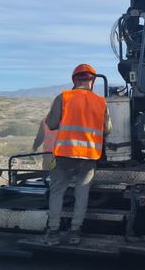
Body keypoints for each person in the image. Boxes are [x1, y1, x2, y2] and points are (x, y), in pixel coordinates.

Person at [43, 64, 112, 246]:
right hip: (89, 156)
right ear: (93, 81)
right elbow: (108, 129)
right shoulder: (101, 102)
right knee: (82, 194)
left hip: (65, 154)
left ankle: (53, 232)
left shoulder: (63, 97)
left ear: (74, 80)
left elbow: (51, 124)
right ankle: (74, 232)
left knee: (57, 192)